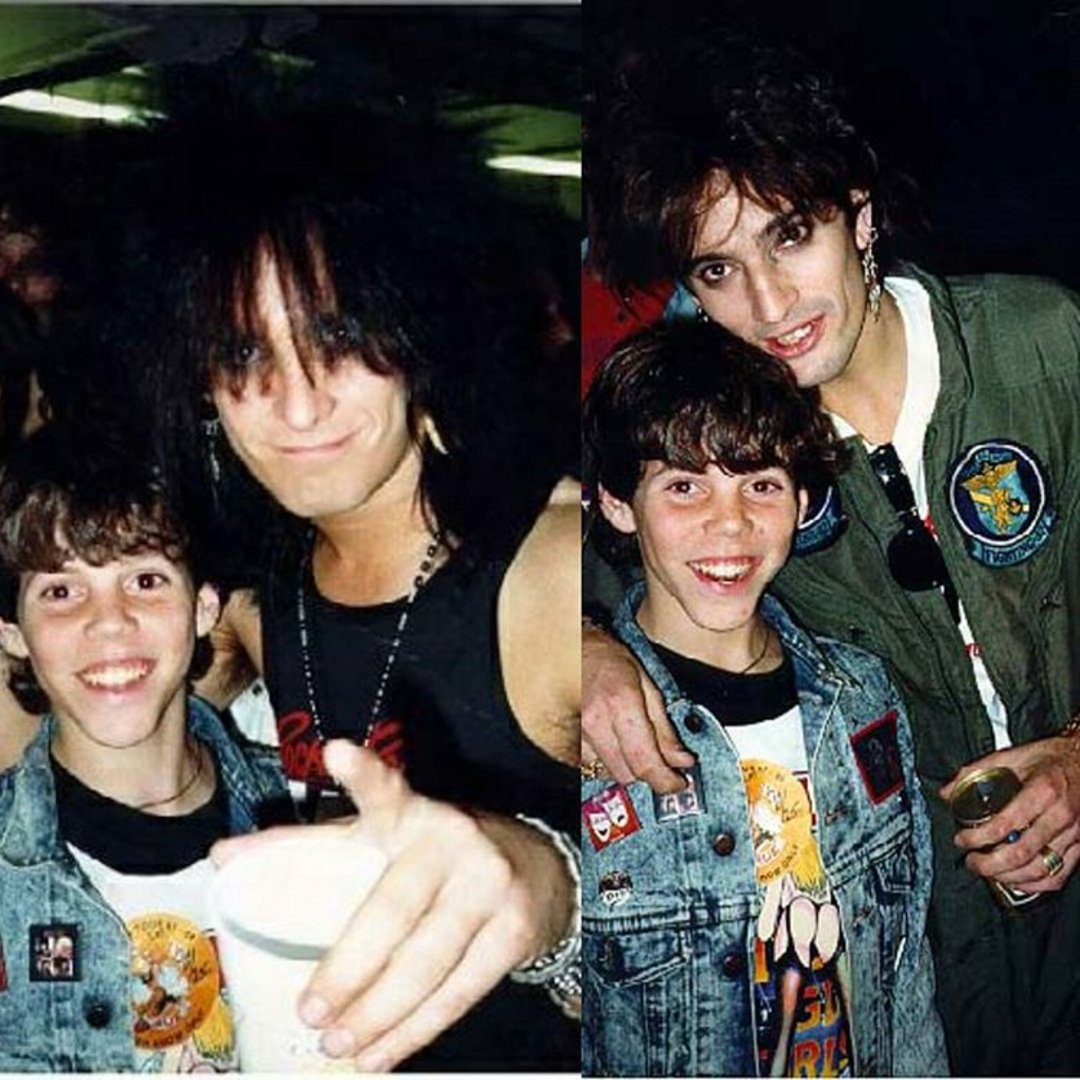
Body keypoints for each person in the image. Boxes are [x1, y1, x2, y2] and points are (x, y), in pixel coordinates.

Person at [583, 24, 1080, 1076]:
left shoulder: (1044, 346)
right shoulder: (732, 477)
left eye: (790, 234)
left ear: (860, 213)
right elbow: (567, 571)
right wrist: (584, 650)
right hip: (931, 978)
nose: (768, 308)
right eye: (718, 268)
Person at [114, 109, 581, 1071]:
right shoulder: (258, 591)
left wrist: (551, 894)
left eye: (340, 337)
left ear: (420, 339)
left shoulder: (546, 574)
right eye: (247, 355)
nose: (298, 403)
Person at [581, 321, 946, 1076]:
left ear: (802, 498)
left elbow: (906, 979)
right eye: (684, 486)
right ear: (617, 504)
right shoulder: (583, 731)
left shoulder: (862, 699)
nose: (731, 523)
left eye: (762, 484)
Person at [0, 419, 293, 1071]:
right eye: (60, 590)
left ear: (205, 609)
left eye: (145, 579)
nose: (108, 620)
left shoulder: (309, 819)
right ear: (14, 633)